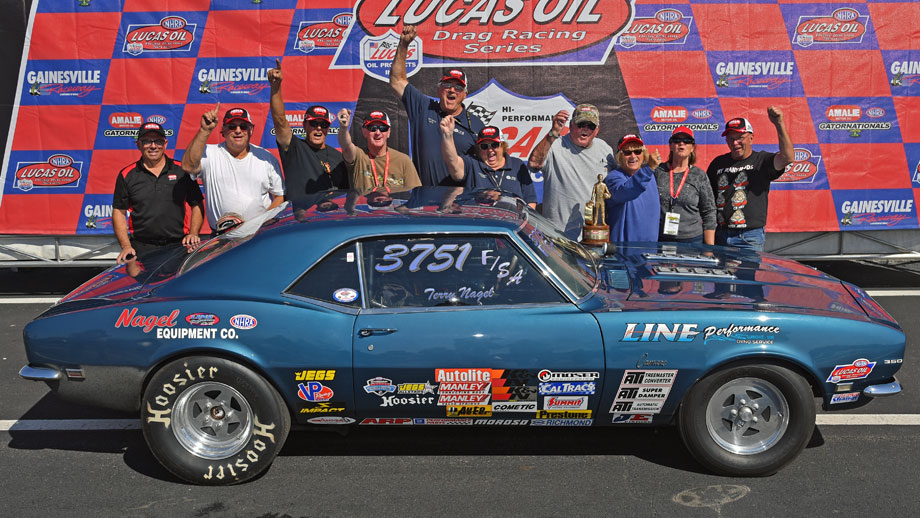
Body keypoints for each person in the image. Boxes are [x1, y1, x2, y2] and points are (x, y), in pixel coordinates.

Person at [390, 25, 485, 186]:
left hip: (460, 204)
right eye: (447, 85)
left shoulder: (475, 125)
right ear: (439, 89)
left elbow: (485, 166)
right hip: (424, 201)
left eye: (458, 87)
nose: (452, 90)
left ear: (465, 94)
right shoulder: (423, 107)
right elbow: (397, 80)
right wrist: (403, 45)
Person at [181, 104, 285, 230]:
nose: (238, 130)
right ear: (223, 131)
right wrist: (204, 130)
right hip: (222, 236)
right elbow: (188, 166)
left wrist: (265, 222)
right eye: (232, 126)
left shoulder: (266, 157)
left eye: (243, 126)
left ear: (251, 130)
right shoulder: (209, 153)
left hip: (259, 235)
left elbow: (279, 196)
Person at [113, 122, 203, 264]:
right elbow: (119, 211)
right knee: (143, 286)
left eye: (158, 141)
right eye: (147, 141)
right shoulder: (127, 174)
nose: (153, 146)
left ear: (165, 144)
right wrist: (126, 246)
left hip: (178, 246)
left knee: (176, 286)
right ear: (138, 144)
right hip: (141, 248)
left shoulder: (181, 171)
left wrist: (193, 233)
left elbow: (197, 203)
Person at [707, 107, 793, 251]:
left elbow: (787, 157)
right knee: (722, 274)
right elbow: (707, 199)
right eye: (731, 139)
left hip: (749, 237)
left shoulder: (762, 160)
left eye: (740, 138)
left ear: (751, 138)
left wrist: (779, 124)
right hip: (721, 234)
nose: (735, 143)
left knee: (747, 273)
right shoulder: (717, 163)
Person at [528, 104, 617, 239]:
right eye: (581, 124)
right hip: (557, 235)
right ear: (571, 125)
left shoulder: (605, 149)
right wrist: (553, 133)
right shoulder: (554, 144)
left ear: (597, 130)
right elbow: (534, 163)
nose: (585, 129)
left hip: (593, 236)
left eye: (591, 126)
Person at [268, 59, 348, 200]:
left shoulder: (339, 158)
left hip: (331, 219)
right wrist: (275, 88)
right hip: (302, 219)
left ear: (328, 129)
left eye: (323, 125)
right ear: (304, 125)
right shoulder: (294, 149)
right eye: (314, 123)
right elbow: (280, 121)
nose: (318, 128)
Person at [440, 119, 537, 208]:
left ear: (502, 145)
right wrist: (447, 135)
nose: (490, 150)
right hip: (480, 223)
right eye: (484, 146)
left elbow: (530, 201)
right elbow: (453, 164)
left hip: (511, 224)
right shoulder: (472, 163)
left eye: (494, 145)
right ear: (478, 149)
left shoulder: (517, 165)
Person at [654, 126, 716, 244]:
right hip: (662, 239)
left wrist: (709, 248)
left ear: (692, 147)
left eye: (687, 141)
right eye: (676, 140)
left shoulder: (699, 175)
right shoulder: (658, 172)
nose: (681, 143)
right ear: (671, 146)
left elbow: (709, 211)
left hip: (692, 240)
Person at [336, 108, 421, 194]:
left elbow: (416, 194)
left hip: (393, 207)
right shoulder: (358, 156)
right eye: (372, 128)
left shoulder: (404, 160)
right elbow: (346, 146)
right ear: (364, 132)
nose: (377, 132)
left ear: (389, 132)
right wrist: (343, 128)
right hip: (361, 207)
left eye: (382, 128)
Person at [604, 134, 661, 242]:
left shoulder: (651, 177)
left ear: (644, 154)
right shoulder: (613, 178)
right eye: (627, 152)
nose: (633, 156)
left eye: (637, 151)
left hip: (649, 251)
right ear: (620, 156)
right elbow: (625, 192)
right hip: (623, 252)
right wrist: (649, 169)